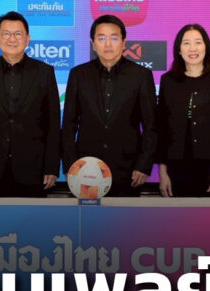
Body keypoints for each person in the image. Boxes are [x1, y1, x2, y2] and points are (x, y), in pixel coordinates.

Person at [61, 14, 157, 197]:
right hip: (86, 169)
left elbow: (151, 126)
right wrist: (71, 165)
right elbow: (68, 124)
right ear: (93, 43)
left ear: (124, 42)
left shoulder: (141, 76)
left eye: (114, 38)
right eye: (101, 38)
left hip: (128, 171)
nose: (107, 44)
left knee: (125, 216)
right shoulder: (79, 75)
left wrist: (143, 165)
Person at [0, 11, 60, 197]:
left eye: (18, 34)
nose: (12, 39)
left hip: (33, 169)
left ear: (27, 38)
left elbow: (53, 123)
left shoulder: (44, 72)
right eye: (6, 34)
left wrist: (51, 166)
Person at [156, 23, 210, 198]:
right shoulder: (168, 81)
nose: (192, 48)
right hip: (176, 167)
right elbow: (162, 130)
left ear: (206, 47)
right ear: (179, 50)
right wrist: (163, 173)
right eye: (186, 43)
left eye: (198, 42)